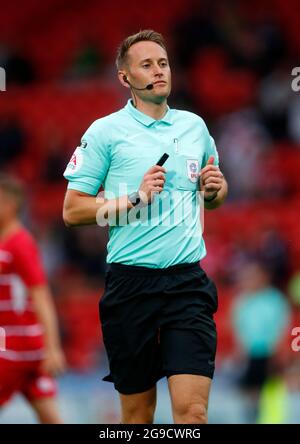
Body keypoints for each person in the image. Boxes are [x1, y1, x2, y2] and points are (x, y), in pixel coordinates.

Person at [63, 30, 228, 424]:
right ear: (125, 78)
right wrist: (132, 200)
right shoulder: (104, 132)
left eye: (164, 63)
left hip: (187, 285)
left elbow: (213, 195)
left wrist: (216, 190)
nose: (159, 71)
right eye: (147, 65)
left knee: (193, 413)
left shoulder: (194, 127)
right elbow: (72, 211)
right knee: (138, 416)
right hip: (130, 286)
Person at [0, 174, 66, 423]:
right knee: (49, 415)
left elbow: (41, 295)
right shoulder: (6, 243)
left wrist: (53, 347)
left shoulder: (20, 243)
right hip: (22, 347)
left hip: (14, 348)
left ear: (9, 205)